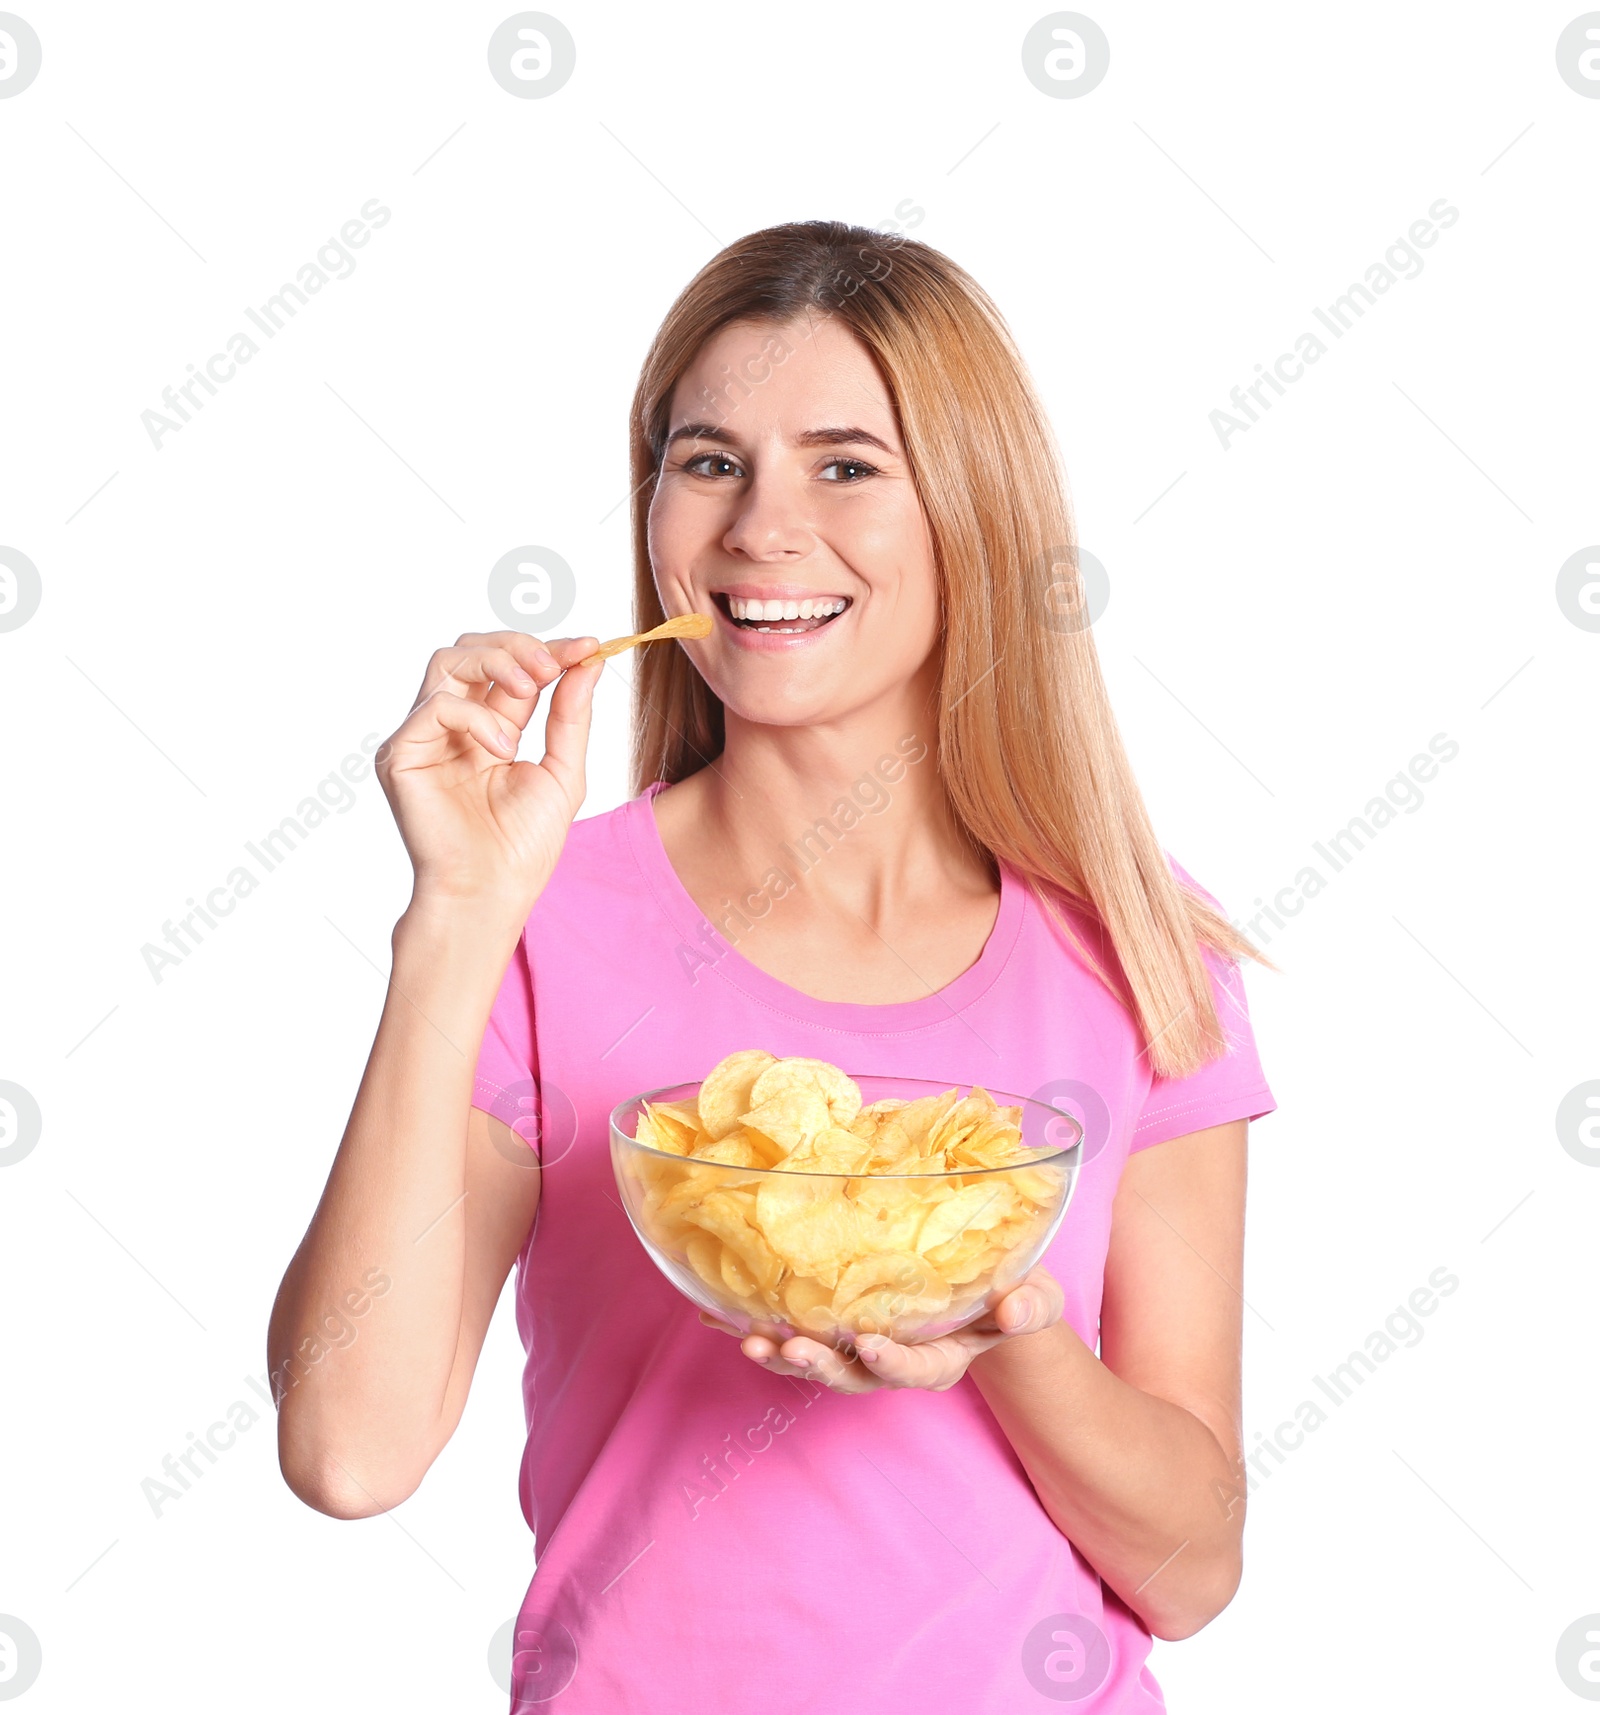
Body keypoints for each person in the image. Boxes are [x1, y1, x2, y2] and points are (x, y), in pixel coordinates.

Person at [268, 220, 1279, 1712]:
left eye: (847, 465)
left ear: (973, 514)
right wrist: (458, 919)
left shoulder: (1137, 943)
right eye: (710, 460)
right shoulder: (539, 924)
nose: (760, 528)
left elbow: (1191, 1572)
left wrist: (1003, 1331)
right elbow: (349, 1454)